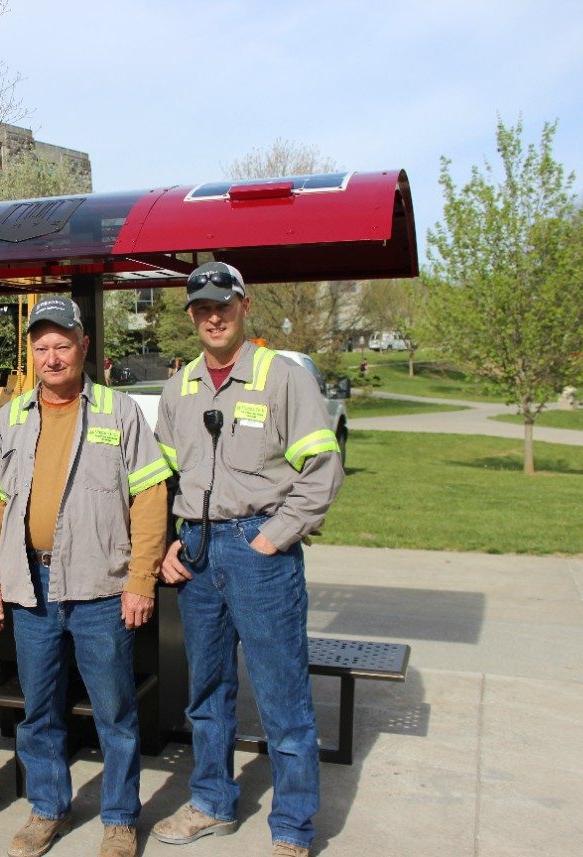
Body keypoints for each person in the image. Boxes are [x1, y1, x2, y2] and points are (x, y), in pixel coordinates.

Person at [150, 262, 344, 857]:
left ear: (244, 307)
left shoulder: (281, 377)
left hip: (260, 549)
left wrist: (275, 536)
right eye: (202, 307)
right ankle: (211, 802)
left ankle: (291, 827)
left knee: (283, 695)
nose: (214, 316)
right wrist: (165, 545)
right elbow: (159, 479)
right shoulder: (178, 387)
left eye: (224, 305)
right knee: (206, 691)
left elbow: (323, 469)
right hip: (199, 552)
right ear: (190, 316)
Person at [0, 296, 170, 857]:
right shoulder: (8, 416)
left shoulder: (118, 411)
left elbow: (151, 495)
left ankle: (120, 819)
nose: (53, 357)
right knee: (39, 713)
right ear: (31, 353)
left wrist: (141, 580)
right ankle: (47, 809)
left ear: (84, 346)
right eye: (42, 347)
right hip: (31, 588)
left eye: (63, 345)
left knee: (115, 712)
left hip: (102, 590)